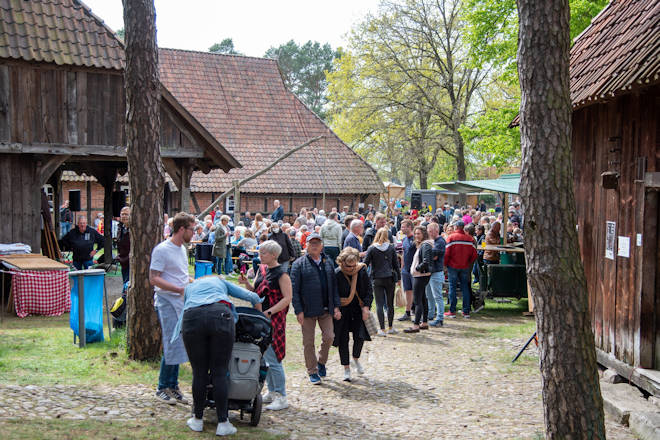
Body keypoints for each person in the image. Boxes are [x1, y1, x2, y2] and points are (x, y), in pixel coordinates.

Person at [171, 274, 262, 436]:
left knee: (199, 373)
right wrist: (260, 317)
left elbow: (186, 308)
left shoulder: (189, 288)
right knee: (219, 372)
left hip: (192, 318)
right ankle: (223, 423)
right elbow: (252, 296)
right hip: (220, 316)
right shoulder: (220, 281)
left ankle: (197, 420)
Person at [238, 240, 292, 411]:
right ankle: (272, 391)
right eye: (260, 252)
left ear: (274, 255)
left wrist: (269, 312)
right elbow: (254, 291)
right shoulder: (262, 270)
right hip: (260, 319)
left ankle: (281, 395)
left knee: (273, 356)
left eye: (263, 253)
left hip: (273, 319)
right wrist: (246, 283)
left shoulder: (282, 274)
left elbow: (287, 298)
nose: (260, 256)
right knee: (263, 357)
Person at [149, 212, 196, 405]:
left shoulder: (182, 250)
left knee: (180, 342)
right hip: (166, 300)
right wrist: (177, 288)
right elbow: (154, 278)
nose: (194, 233)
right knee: (170, 341)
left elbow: (180, 275)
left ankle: (173, 385)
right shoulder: (162, 250)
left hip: (181, 301)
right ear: (182, 229)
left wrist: (193, 283)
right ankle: (162, 387)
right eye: (192, 229)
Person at [290, 232, 341, 384]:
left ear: (321, 246)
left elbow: (334, 286)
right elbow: (294, 289)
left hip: (326, 309)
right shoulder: (299, 264)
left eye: (317, 243)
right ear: (306, 245)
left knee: (329, 336)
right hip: (307, 310)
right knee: (308, 342)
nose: (314, 246)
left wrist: (336, 306)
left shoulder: (328, 262)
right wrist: (298, 310)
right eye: (311, 243)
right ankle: (312, 371)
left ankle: (321, 362)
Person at [334, 247, 372, 382]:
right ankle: (346, 369)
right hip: (343, 310)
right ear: (342, 262)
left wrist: (366, 307)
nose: (351, 268)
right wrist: (336, 309)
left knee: (360, 336)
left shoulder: (361, 271)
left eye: (353, 265)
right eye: (348, 266)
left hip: (358, 308)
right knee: (343, 340)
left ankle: (355, 359)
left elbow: (368, 290)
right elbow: (334, 293)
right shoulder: (337, 273)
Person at [363, 227, 400, 335]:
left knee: (379, 304)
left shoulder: (372, 248)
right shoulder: (391, 248)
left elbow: (365, 263)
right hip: (389, 277)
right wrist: (399, 279)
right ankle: (391, 327)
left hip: (376, 277)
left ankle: (382, 329)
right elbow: (396, 265)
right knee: (390, 304)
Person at [444, 221, 478, 319]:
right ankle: (466, 311)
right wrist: (468, 262)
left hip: (453, 266)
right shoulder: (470, 239)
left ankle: (452, 311)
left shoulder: (451, 238)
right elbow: (474, 255)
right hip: (464, 267)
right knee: (465, 288)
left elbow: (446, 254)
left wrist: (445, 265)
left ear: (456, 227)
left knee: (452, 288)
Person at [404, 226, 434, 333]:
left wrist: (417, 268)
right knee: (422, 298)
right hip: (421, 275)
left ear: (424, 234)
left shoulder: (425, 245)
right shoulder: (423, 244)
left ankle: (416, 325)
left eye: (419, 234)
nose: (416, 236)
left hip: (420, 275)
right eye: (415, 234)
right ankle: (424, 322)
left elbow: (426, 261)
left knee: (417, 301)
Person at [425, 223, 446, 327]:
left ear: (435, 231)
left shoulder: (440, 241)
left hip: (436, 272)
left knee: (437, 296)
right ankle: (430, 314)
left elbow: (433, 254)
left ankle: (440, 318)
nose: (428, 233)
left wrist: (429, 253)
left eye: (429, 231)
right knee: (429, 295)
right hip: (430, 272)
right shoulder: (433, 241)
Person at [397, 220, 416, 322]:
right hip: (405, 270)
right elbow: (404, 253)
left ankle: (417, 313)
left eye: (403, 227)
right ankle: (407, 312)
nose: (401, 229)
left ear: (409, 227)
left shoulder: (415, 239)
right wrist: (402, 267)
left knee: (416, 291)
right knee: (407, 291)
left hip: (414, 270)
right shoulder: (404, 239)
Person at [117, 207, 131, 283]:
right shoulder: (120, 228)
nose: (124, 216)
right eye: (122, 214)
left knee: (128, 282)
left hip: (131, 260)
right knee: (125, 281)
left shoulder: (133, 229)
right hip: (123, 260)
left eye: (126, 214)